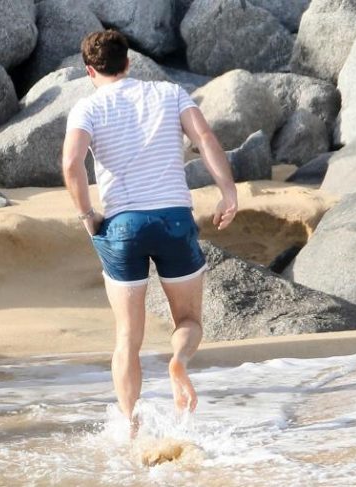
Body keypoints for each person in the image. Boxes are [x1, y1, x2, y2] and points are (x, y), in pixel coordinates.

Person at [62, 31, 238, 427]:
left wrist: (87, 215)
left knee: (127, 336)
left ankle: (129, 427)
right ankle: (178, 362)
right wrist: (228, 192)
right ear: (129, 63)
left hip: (123, 225)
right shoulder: (170, 93)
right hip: (174, 219)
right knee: (189, 321)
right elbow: (205, 137)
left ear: (90, 71)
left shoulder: (87, 108)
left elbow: (71, 163)